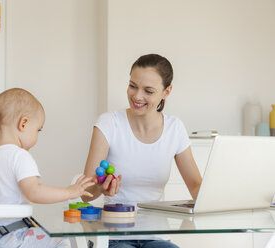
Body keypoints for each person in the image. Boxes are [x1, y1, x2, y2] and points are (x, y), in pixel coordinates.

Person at [82, 54, 202, 248]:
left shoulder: (175, 128)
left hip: (157, 236)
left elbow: (196, 186)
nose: (137, 96)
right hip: (114, 237)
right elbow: (85, 193)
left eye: (148, 90)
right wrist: (100, 187)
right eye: (132, 86)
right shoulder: (109, 123)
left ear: (166, 92)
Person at [0, 88, 95, 248]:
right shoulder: (19, 155)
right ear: (23, 123)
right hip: (15, 236)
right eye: (38, 130)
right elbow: (34, 192)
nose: (37, 135)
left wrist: (0, 191)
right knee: (66, 243)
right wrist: (70, 192)